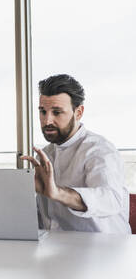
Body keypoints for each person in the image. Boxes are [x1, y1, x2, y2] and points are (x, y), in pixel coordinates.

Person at [22, 74, 131, 233]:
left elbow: (110, 199)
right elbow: (44, 218)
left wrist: (58, 193)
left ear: (78, 112)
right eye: (43, 111)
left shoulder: (100, 150)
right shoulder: (45, 154)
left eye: (57, 112)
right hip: (56, 248)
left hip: (104, 250)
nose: (47, 121)